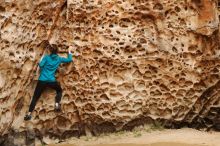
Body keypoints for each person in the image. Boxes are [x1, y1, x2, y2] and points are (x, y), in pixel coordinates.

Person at [24, 43, 73, 121]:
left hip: (42, 80)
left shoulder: (46, 58)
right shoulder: (59, 59)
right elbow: (69, 60)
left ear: (50, 51)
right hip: (51, 81)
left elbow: (40, 65)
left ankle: (29, 114)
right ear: (57, 51)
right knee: (59, 90)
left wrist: (43, 58)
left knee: (35, 97)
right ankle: (57, 104)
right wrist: (69, 51)